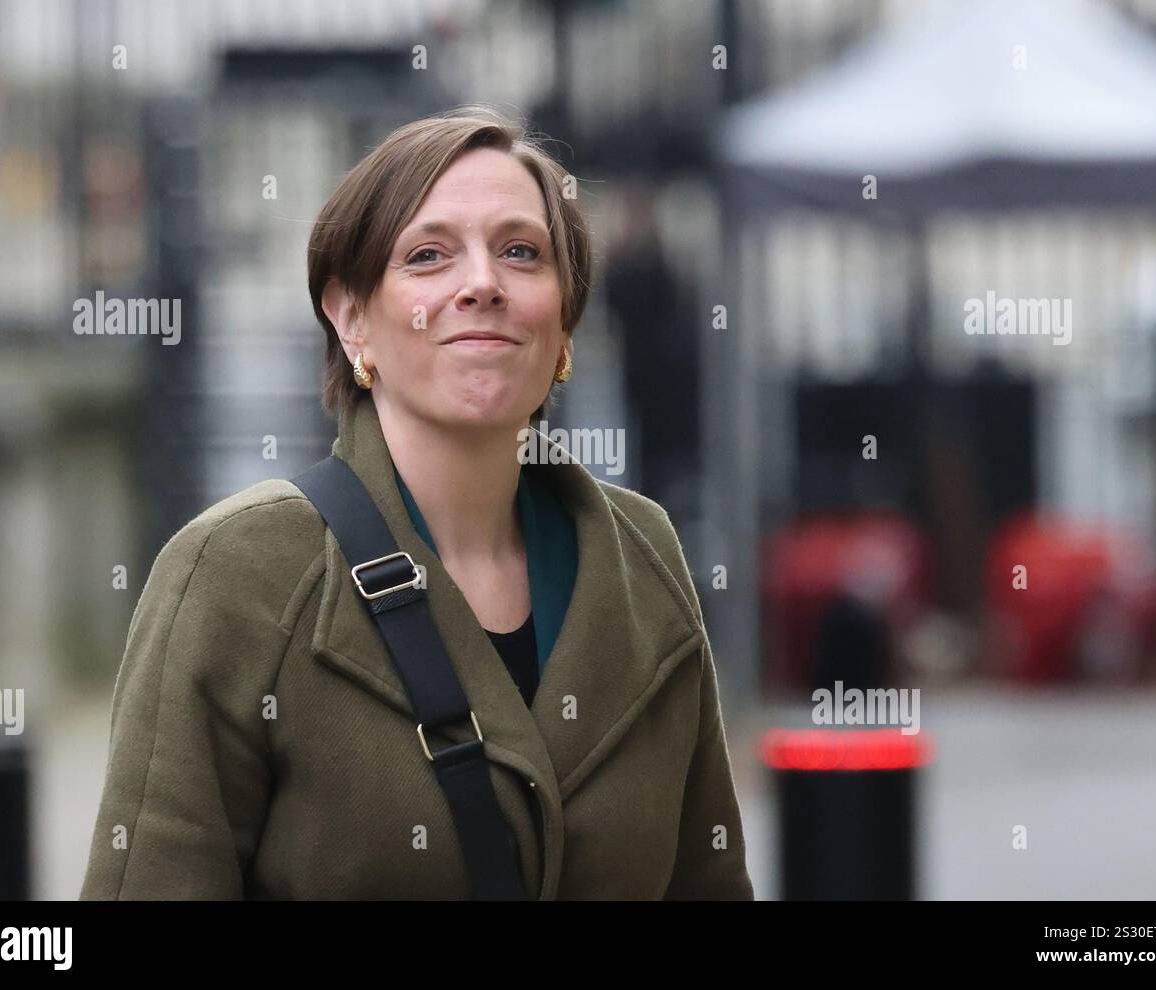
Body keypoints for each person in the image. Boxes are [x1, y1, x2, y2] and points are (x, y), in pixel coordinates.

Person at [79, 104, 754, 900]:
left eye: (520, 252)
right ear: (351, 316)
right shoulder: (234, 574)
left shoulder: (644, 555)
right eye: (430, 255)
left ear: (565, 322)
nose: (482, 284)